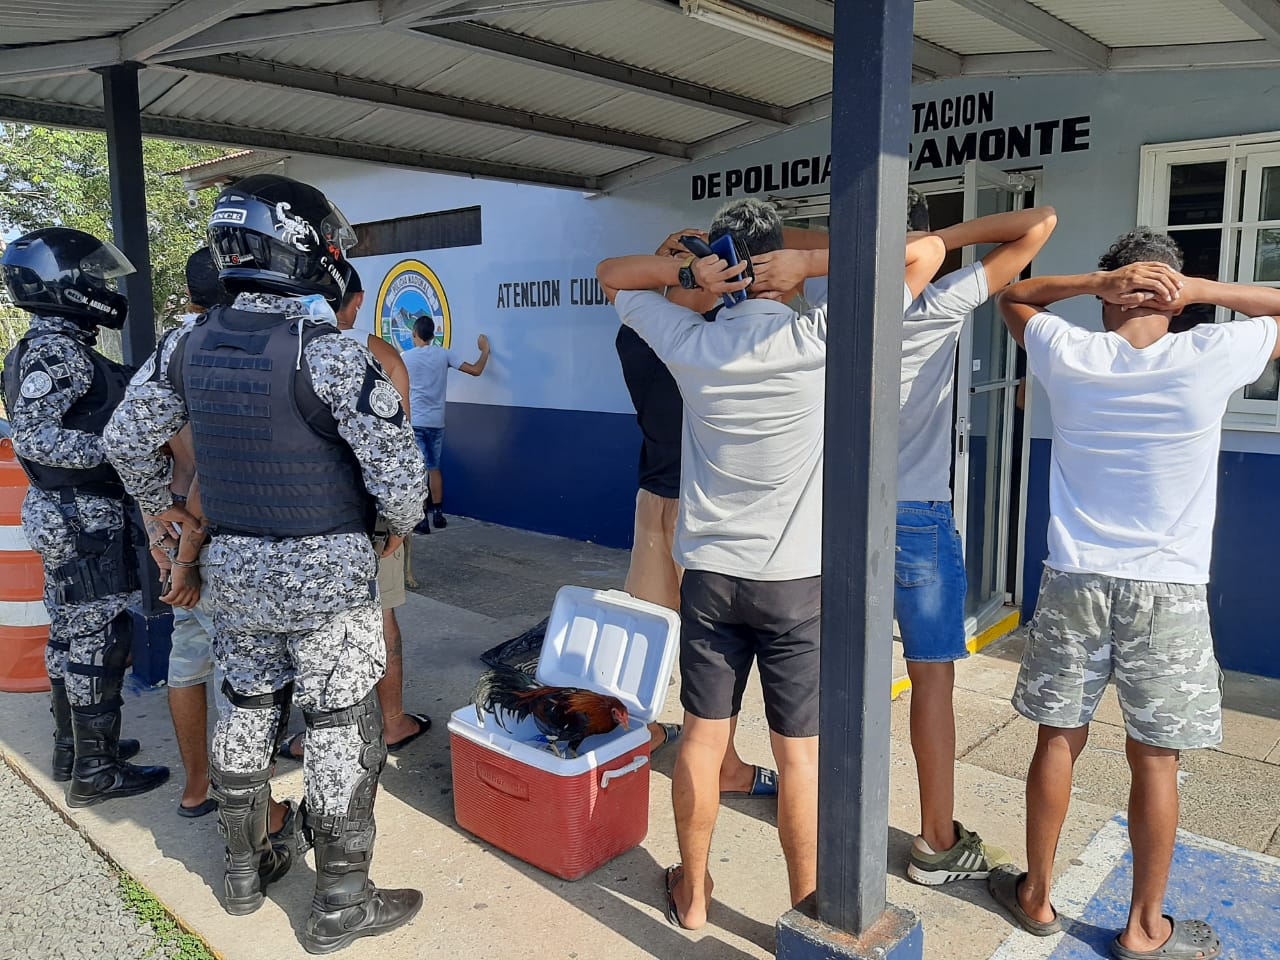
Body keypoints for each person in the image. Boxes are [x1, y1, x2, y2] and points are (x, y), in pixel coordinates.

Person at [104, 174, 426, 953]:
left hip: (236, 577)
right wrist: (386, 525)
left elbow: (122, 439)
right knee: (340, 727)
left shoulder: (185, 344)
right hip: (328, 581)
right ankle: (341, 902)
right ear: (303, 246)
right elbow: (405, 484)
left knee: (246, 710)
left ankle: (245, 875)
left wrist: (165, 510)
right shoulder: (332, 355)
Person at [989, 229, 1280, 960]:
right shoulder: (1208, 354)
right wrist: (1204, 293)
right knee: (1156, 760)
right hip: (1168, 590)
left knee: (1058, 739)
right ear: (1174, 303)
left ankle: (1037, 896)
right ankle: (1145, 929)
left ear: (1110, 295)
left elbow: (1012, 293)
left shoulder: (1071, 352)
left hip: (1074, 580)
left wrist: (1093, 281)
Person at [597, 198, 831, 930]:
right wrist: (811, 262)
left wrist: (685, 269)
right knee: (799, 757)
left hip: (711, 581)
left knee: (702, 738)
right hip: (793, 582)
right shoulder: (820, 338)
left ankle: (693, 896)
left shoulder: (688, 341)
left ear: (719, 266)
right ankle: (804, 914)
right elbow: (916, 257)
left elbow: (612, 277)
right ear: (782, 273)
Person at [897, 196, 1058, 885]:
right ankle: (936, 842)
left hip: (829, 516)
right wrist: (935, 242)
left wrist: (854, 245)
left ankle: (820, 818)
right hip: (916, 517)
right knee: (933, 677)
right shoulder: (937, 301)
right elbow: (1038, 223)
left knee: (823, 677)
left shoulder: (826, 308)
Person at [1, 227, 168, 807]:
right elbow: (36, 436)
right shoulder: (57, 352)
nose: (101, 285)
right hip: (81, 516)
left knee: (70, 633)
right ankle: (96, 769)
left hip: (64, 512)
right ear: (64, 282)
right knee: (99, 636)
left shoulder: (36, 348)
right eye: (91, 275)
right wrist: (117, 452)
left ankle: (73, 747)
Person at [616, 227, 781, 793]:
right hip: (698, 506)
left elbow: (621, 278)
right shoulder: (704, 342)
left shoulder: (635, 336)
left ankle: (635, 729)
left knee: (650, 631)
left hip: (650, 501)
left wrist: (669, 263)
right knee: (709, 649)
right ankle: (726, 765)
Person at [147, 247, 296, 840]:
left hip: (176, 528)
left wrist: (162, 536)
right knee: (250, 676)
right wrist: (185, 559)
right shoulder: (235, 355)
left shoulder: (169, 356)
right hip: (227, 541)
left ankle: (196, 788)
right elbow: (214, 470)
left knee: (188, 663)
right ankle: (255, 816)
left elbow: (139, 449)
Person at [278, 263, 431, 759]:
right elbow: (398, 445)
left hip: (293, 513)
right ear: (357, 301)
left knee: (305, 622)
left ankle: (313, 734)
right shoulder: (378, 353)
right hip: (365, 515)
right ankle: (391, 722)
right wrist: (399, 521)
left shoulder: (279, 348)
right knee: (380, 613)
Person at [402, 315, 490, 532]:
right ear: (433, 335)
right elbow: (475, 370)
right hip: (436, 421)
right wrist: (484, 351)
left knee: (418, 471)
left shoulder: (406, 357)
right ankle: (438, 515)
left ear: (415, 335)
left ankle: (421, 519)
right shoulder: (444, 354)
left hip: (415, 422)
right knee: (434, 468)